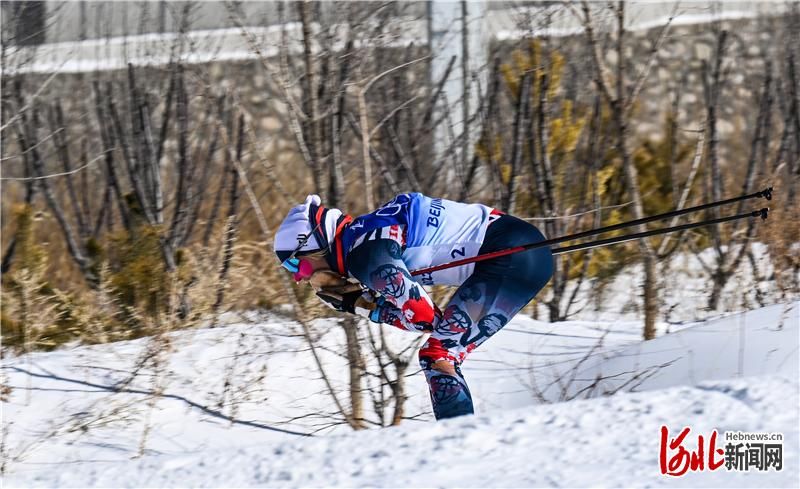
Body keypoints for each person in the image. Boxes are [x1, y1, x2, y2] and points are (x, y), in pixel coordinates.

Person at [274, 193, 553, 420]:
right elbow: (427, 317)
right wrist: (370, 304)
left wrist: (362, 306)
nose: (301, 278)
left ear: (319, 244)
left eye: (297, 264)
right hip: (517, 248)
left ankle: (461, 444)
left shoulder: (363, 254)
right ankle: (461, 438)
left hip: (513, 256)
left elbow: (424, 317)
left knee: (439, 354)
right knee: (440, 351)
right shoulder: (364, 237)